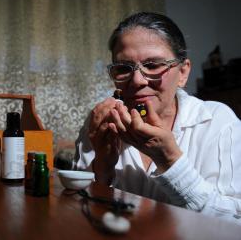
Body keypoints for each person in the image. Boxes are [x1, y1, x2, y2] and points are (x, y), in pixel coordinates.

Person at [74, 12, 241, 222]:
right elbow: (77, 210)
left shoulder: (217, 122)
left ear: (183, 73)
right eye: (123, 68)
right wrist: (103, 167)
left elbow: (235, 222)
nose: (136, 81)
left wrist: (169, 160)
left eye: (153, 65)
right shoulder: (102, 122)